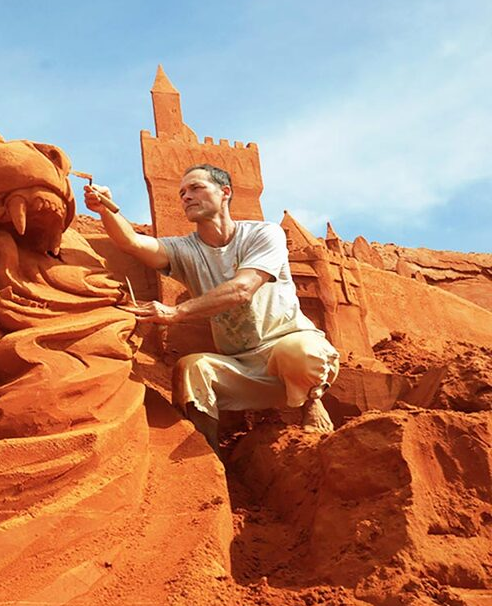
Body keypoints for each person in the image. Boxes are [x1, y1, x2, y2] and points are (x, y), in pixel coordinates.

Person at [83, 163, 338, 452]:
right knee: (192, 368)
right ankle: (207, 453)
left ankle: (312, 402)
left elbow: (243, 289)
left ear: (225, 192)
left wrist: (176, 312)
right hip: (241, 366)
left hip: (287, 352)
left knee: (298, 352)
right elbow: (132, 243)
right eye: (182, 193)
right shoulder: (185, 249)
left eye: (196, 188)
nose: (186, 197)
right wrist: (106, 209)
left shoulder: (264, 234)